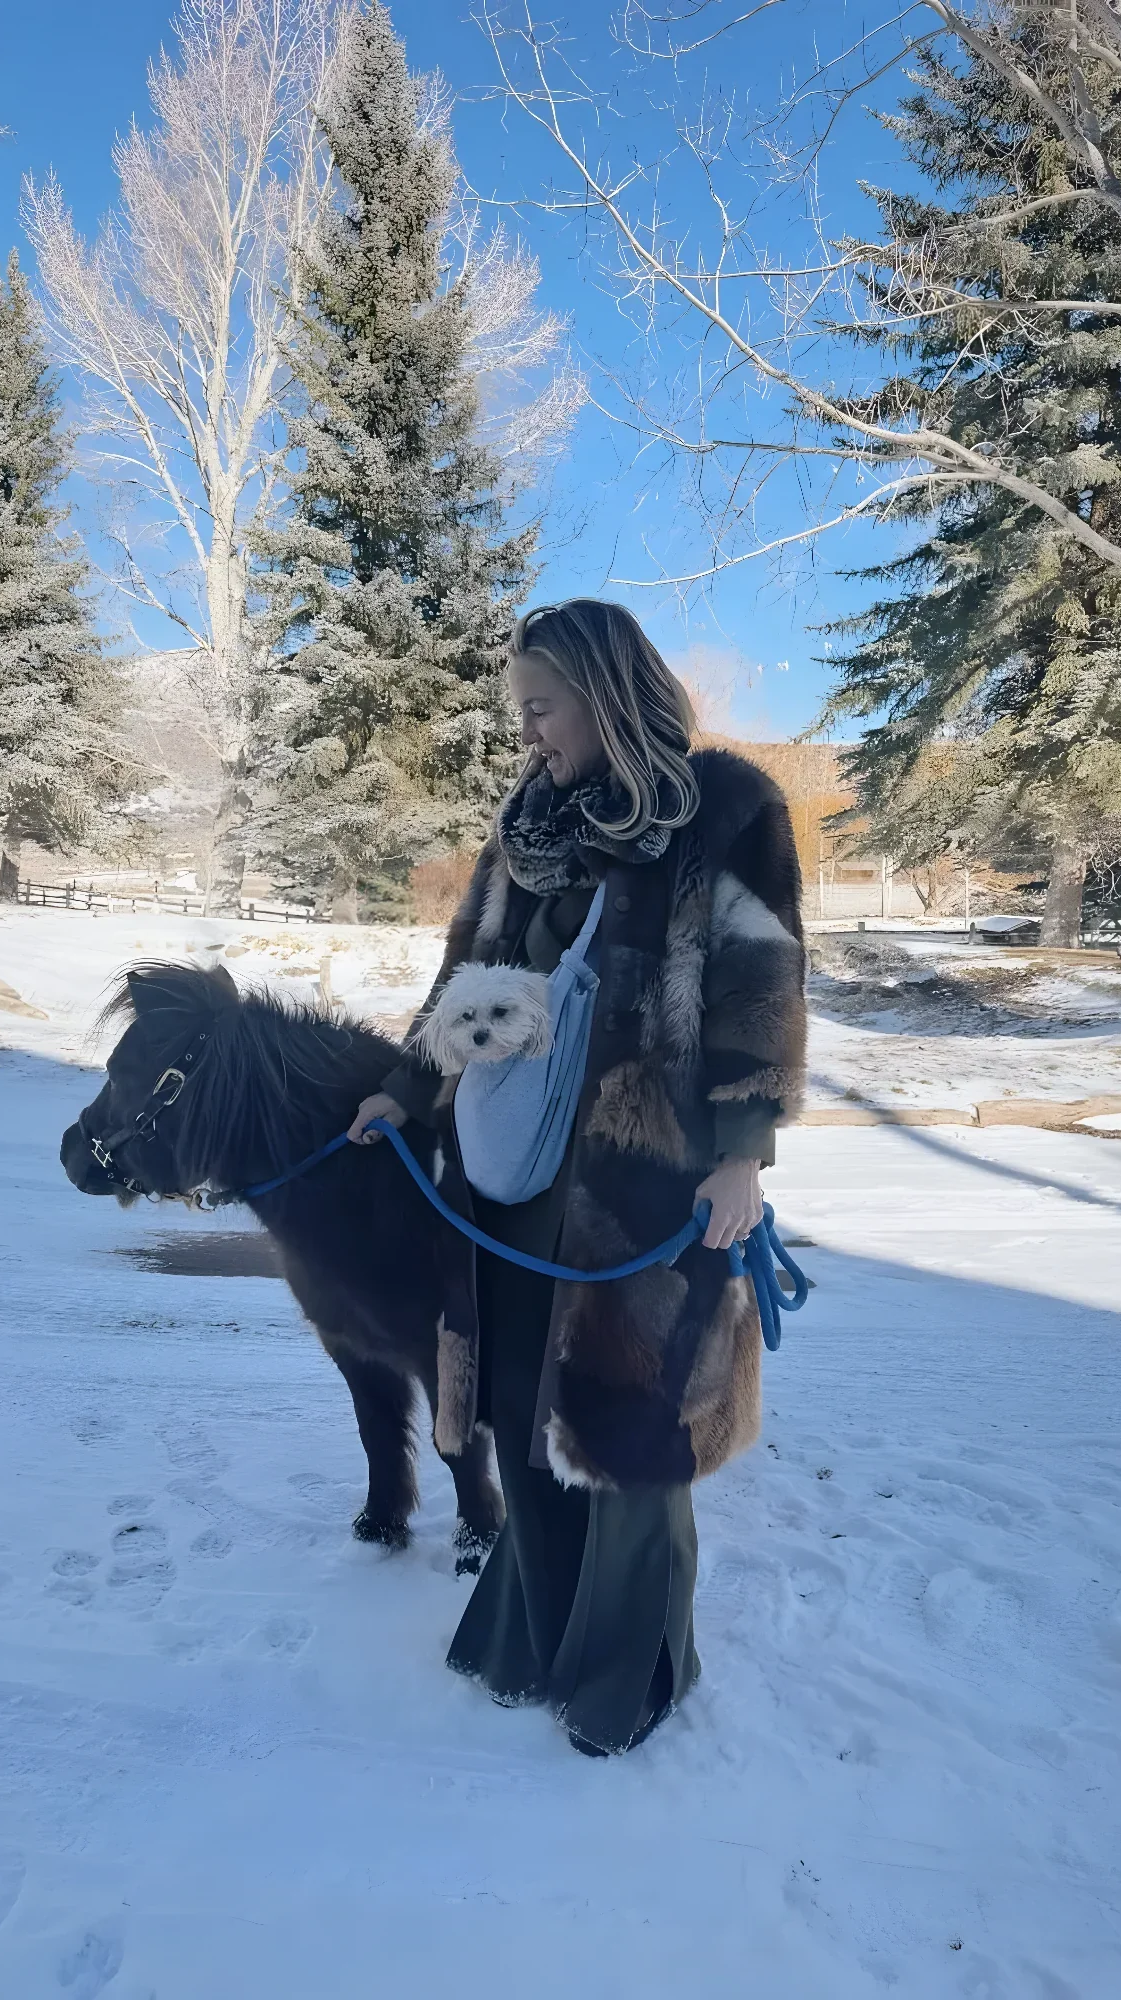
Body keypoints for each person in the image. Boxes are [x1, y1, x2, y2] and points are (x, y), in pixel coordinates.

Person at [348, 599, 806, 1755]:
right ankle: (534, 1637)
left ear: (606, 697)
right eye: (523, 711)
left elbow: (760, 983)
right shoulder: (525, 831)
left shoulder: (724, 813)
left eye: (542, 708)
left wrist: (743, 1151)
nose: (528, 734)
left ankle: (627, 1678)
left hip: (645, 1179)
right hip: (507, 1175)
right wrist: (404, 1089)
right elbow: (461, 979)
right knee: (518, 1408)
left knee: (630, 1421)